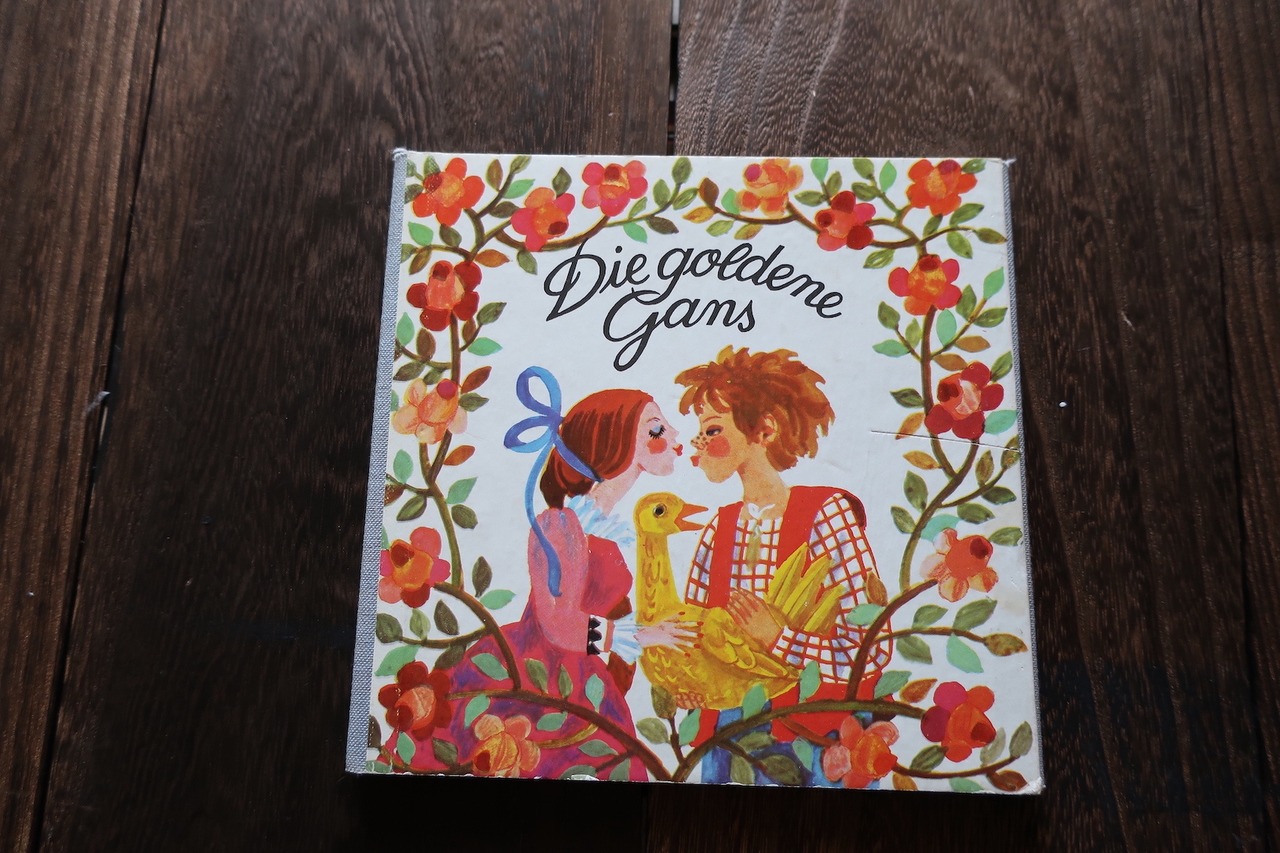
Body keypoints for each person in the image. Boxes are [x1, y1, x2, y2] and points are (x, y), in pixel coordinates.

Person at [441, 368, 691, 781]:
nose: (675, 435)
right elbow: (557, 625)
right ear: (614, 445)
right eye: (656, 429)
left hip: (580, 679)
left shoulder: (600, 527)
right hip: (539, 676)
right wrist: (640, 636)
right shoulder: (560, 525)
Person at [674, 346, 892, 786]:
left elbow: (871, 648)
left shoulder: (826, 515)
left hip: (814, 731)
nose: (697, 445)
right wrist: (688, 682)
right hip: (730, 734)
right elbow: (692, 637)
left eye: (712, 429)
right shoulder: (718, 530)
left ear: (765, 430)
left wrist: (780, 639)